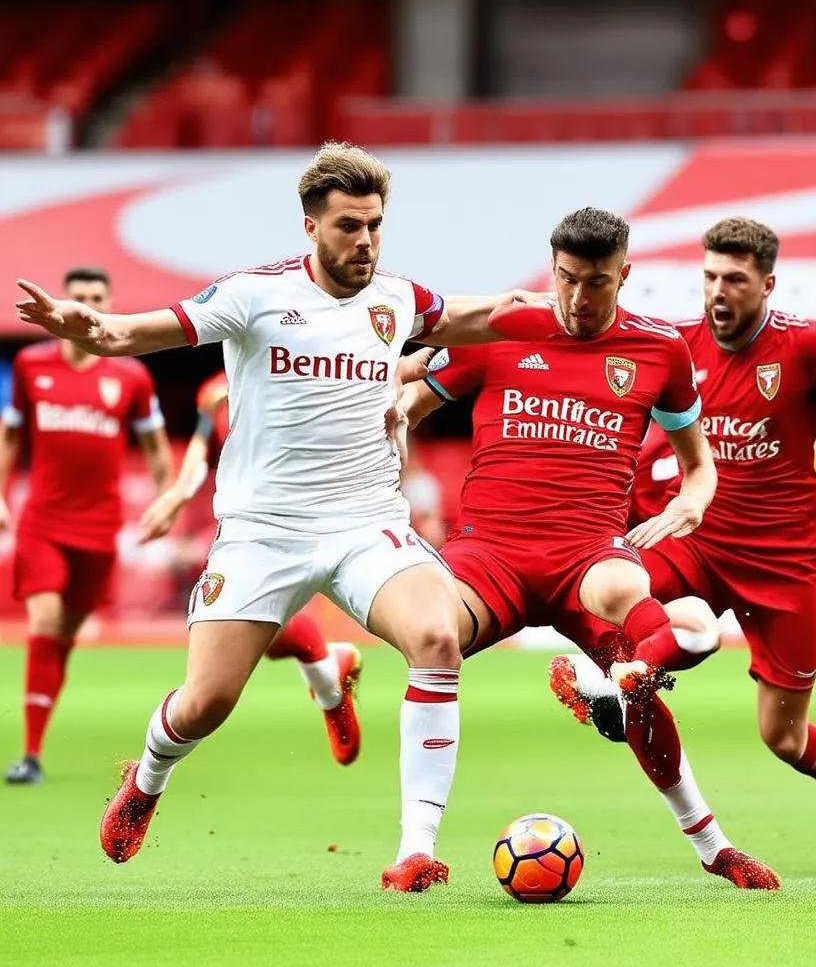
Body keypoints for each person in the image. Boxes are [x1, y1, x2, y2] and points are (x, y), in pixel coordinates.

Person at [14, 140, 539, 892]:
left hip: (366, 524)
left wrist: (575, 309)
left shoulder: (396, 298)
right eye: (348, 226)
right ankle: (149, 777)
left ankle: (414, 850)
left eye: (375, 225)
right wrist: (83, 326)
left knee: (436, 635)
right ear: (310, 228)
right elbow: (127, 333)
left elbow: (478, 315)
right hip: (263, 531)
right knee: (206, 703)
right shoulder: (252, 295)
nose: (364, 241)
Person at [548, 216, 816, 879]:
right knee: (617, 586)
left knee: (783, 738)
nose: (718, 291)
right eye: (710, 275)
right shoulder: (676, 345)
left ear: (767, 283)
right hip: (695, 539)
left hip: (783, 563)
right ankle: (620, 679)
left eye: (735, 279)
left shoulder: (806, 348)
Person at [399, 207, 780, 890]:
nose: (578, 298)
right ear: (553, 270)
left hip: (587, 553)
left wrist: (692, 502)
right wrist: (390, 398)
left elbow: (699, 464)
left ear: (624, 275)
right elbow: (407, 406)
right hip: (488, 554)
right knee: (430, 637)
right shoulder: (500, 330)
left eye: (597, 283)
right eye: (568, 279)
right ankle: (414, 851)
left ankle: (711, 843)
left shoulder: (661, 351)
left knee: (640, 607)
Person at [0, 267, 174, 785]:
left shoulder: (131, 376)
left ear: (108, 301)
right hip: (43, 522)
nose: (86, 304)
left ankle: (38, 726)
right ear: (63, 302)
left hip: (98, 529)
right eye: (77, 297)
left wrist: (166, 499)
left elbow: (156, 447)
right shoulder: (32, 365)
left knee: (65, 640)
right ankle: (30, 754)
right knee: (45, 625)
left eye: (96, 297)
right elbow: (10, 438)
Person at [137, 370, 363, 766]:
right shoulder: (215, 389)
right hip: (248, 525)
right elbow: (200, 447)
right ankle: (329, 674)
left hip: (312, 516)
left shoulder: (309, 362)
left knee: (248, 627)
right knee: (249, 629)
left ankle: (329, 673)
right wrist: (178, 494)